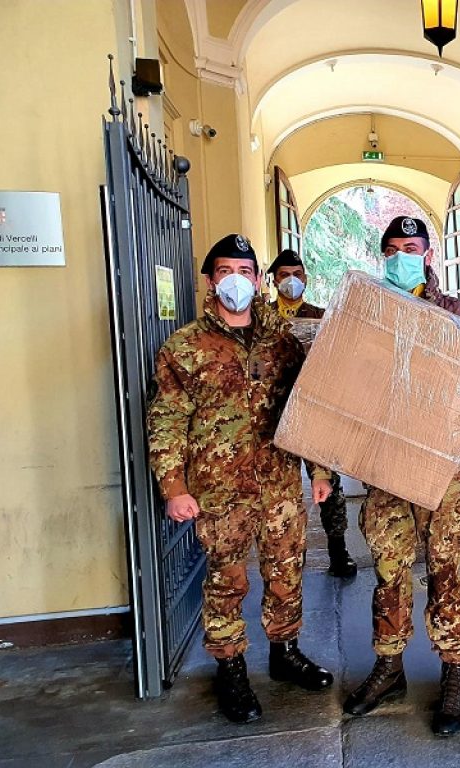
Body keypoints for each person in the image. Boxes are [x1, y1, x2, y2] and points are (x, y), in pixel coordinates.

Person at [147, 234, 335, 724]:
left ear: (257, 280)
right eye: (226, 271)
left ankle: (284, 651)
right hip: (219, 490)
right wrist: (174, 487)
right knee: (226, 580)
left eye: (245, 271)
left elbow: (308, 409)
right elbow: (167, 420)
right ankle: (230, 668)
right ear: (211, 281)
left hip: (279, 484)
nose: (236, 280)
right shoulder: (185, 347)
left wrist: (319, 470)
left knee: (286, 572)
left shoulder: (282, 342)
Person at [342, 216, 460, 736]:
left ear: (428, 255)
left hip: (445, 475)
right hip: (384, 471)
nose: (403, 256)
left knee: (445, 571)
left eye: (412, 247)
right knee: (388, 570)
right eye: (393, 248)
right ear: (384, 256)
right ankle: (389, 666)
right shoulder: (368, 312)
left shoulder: (459, 314)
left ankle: (455, 671)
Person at [266, 249, 356, 578]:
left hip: (315, 412)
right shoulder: (262, 319)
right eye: (284, 275)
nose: (291, 280)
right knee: (279, 487)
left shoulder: (322, 316)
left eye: (298, 274)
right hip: (274, 413)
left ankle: (338, 550)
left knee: (328, 481)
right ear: (273, 280)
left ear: (306, 278)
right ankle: (286, 553)